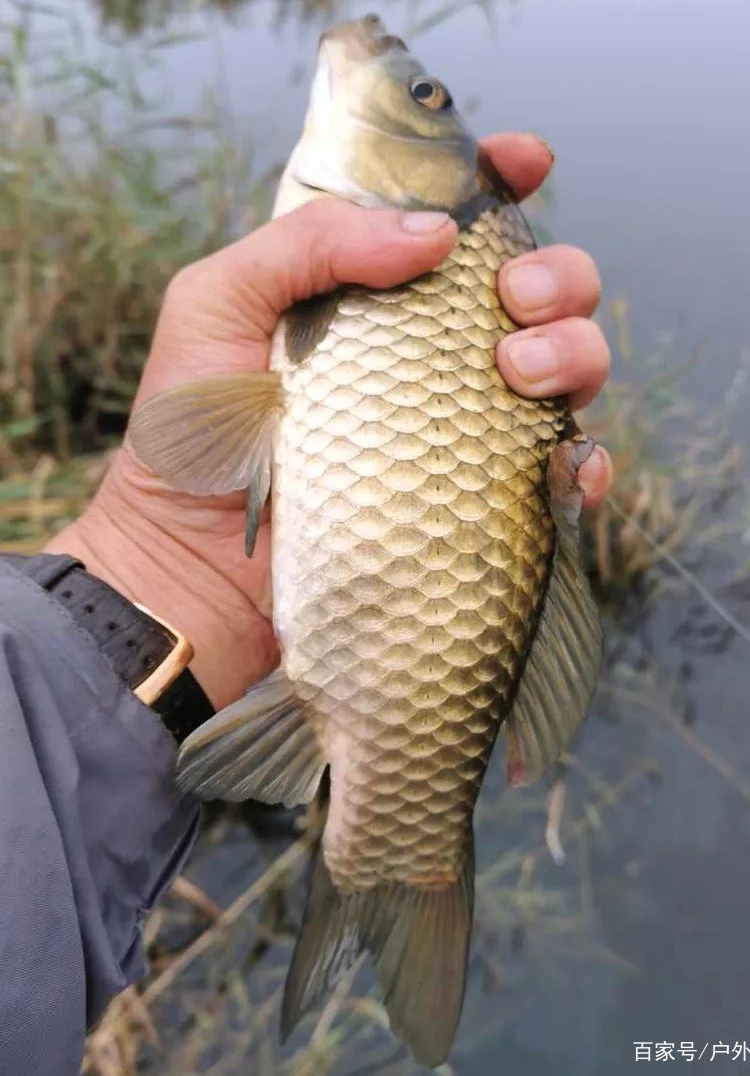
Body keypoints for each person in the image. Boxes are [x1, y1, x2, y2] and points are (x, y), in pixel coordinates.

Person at [0, 133, 611, 1075]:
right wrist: (155, 549)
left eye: (424, 100)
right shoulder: (399, 246)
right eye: (424, 101)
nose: (379, 56)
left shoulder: (463, 249)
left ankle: (399, 876)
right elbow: (193, 437)